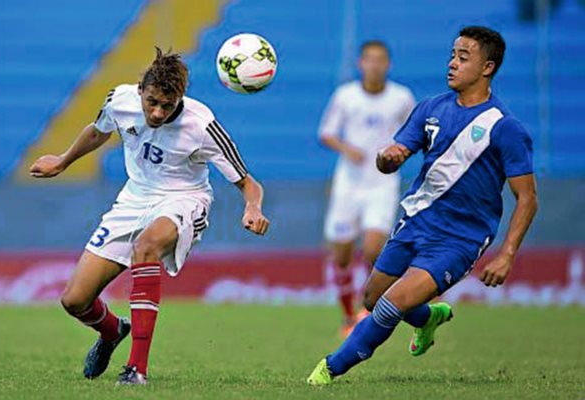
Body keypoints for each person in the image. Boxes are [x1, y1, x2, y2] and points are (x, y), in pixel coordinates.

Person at [307, 26, 538, 385]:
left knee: (390, 303)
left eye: (463, 58)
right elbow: (391, 158)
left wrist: (507, 255)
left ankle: (328, 370)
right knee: (373, 297)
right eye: (452, 55)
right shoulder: (430, 108)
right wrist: (389, 158)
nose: (452, 64)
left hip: (460, 238)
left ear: (487, 67)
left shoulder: (504, 127)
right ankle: (428, 318)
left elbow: (528, 198)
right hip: (415, 222)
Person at [29, 47, 270, 385]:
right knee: (75, 300)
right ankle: (113, 332)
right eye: (152, 102)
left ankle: (136, 369)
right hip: (134, 198)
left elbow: (248, 182)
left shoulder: (202, 125)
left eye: (167, 106)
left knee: (147, 247)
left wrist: (253, 207)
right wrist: (63, 160)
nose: (157, 112)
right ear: (141, 90)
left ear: (180, 99)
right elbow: (98, 130)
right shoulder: (120, 100)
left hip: (184, 200)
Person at [318, 40, 415, 337]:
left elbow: (414, 134)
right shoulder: (346, 96)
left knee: (374, 249)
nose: (374, 65)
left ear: (388, 64)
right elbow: (326, 133)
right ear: (361, 64)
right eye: (369, 60)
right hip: (349, 183)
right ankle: (348, 316)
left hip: (382, 183)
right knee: (342, 253)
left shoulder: (401, 98)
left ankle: (367, 309)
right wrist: (349, 149)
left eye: (380, 60)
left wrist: (398, 152)